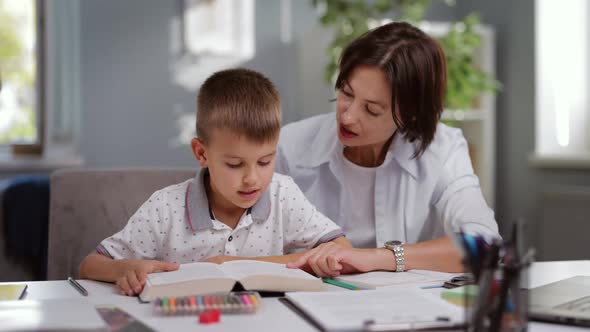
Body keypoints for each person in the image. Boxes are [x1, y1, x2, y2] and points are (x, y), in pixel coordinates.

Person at [79, 68, 349, 296]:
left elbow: (341, 249)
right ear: (201, 153)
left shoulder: (282, 194)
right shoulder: (165, 207)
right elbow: (91, 265)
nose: (252, 178)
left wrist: (234, 264)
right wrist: (123, 270)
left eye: (265, 161)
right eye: (234, 164)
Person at [278, 22, 499, 277]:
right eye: (347, 94)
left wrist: (378, 257)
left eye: (372, 109)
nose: (348, 117)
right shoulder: (290, 147)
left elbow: (485, 247)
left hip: (408, 307)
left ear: (410, 116)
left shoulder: (443, 148)